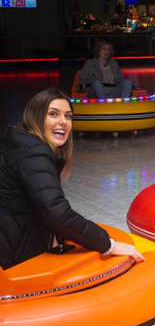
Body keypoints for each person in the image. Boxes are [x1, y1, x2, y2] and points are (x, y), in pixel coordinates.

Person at [0, 88, 144, 269]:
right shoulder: (34, 155)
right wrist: (110, 245)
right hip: (12, 256)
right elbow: (57, 213)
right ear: (35, 117)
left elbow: (42, 205)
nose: (63, 122)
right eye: (53, 114)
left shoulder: (19, 142)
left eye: (68, 116)